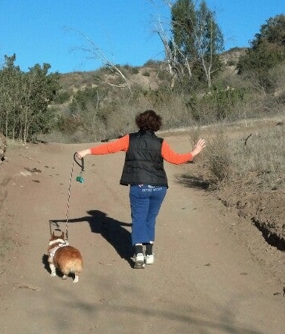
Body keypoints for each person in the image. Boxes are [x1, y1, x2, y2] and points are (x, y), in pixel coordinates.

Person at [76, 109, 206, 269]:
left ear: (139, 122)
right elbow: (176, 159)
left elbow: (109, 148)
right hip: (159, 188)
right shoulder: (160, 143)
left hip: (139, 187)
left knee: (138, 219)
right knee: (150, 219)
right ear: (156, 125)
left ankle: (138, 254)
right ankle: (149, 254)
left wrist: (86, 151)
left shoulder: (129, 140)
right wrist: (194, 152)